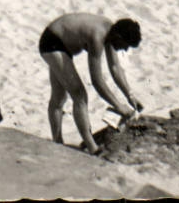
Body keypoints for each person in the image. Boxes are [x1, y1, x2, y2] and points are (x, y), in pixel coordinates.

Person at [38, 13, 144, 154]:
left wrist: (130, 96)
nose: (125, 50)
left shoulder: (112, 32)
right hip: (51, 43)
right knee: (79, 95)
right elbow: (97, 81)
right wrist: (118, 106)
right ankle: (92, 147)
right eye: (125, 46)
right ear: (119, 37)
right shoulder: (98, 36)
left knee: (59, 97)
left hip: (60, 42)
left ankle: (57, 143)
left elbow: (115, 68)